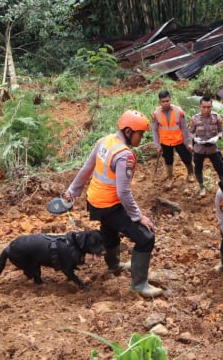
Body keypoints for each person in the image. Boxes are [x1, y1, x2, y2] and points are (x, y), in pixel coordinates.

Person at [63, 110, 162, 298]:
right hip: (110, 205)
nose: (141, 138)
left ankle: (114, 265)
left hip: (94, 202)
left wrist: (72, 191)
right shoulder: (125, 156)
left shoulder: (105, 141)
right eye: (139, 133)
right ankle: (139, 285)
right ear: (127, 131)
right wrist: (138, 216)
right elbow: (123, 192)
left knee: (109, 229)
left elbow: (87, 167)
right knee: (146, 238)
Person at [151, 90, 194, 188]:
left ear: (170, 100)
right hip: (165, 142)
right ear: (159, 102)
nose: (166, 103)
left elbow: (184, 128)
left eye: (167, 100)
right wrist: (157, 145)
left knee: (186, 158)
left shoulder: (179, 111)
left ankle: (191, 173)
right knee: (168, 160)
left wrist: (187, 143)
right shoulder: (156, 114)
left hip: (179, 140)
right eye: (163, 101)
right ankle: (170, 177)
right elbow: (154, 130)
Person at [189, 95, 223, 197]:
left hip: (213, 148)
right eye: (204, 107)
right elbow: (190, 132)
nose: (206, 110)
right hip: (199, 148)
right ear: (200, 107)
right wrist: (195, 139)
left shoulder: (217, 117)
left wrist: (217, 137)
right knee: (197, 168)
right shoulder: (195, 119)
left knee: (220, 167)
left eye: (208, 107)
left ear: (212, 107)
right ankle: (201, 187)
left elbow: (221, 131)